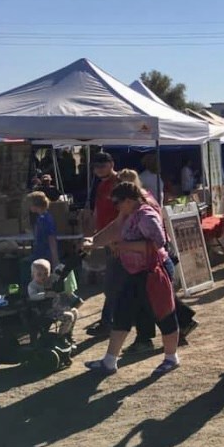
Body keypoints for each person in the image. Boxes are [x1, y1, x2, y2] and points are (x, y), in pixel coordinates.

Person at [84, 182, 180, 376]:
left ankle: (171, 358)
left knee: (164, 315)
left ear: (129, 200)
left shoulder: (146, 215)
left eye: (117, 203)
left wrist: (124, 246)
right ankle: (109, 361)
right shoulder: (130, 213)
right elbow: (116, 228)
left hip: (153, 272)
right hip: (135, 273)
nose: (115, 207)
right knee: (122, 313)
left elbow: (158, 242)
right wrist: (94, 242)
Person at [117, 169, 198, 351]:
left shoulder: (144, 207)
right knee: (155, 302)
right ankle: (178, 325)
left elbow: (157, 241)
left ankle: (163, 339)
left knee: (158, 305)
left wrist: (126, 246)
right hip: (148, 264)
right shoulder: (136, 205)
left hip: (155, 264)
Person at [86, 151, 121, 337]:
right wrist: (92, 233)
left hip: (117, 241)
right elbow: (98, 211)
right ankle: (109, 322)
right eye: (96, 166)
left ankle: (107, 323)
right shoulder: (101, 185)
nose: (99, 169)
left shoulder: (118, 183)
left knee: (112, 284)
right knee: (116, 283)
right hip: (107, 239)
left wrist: (115, 239)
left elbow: (122, 214)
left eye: (102, 165)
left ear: (111, 163)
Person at [28, 259, 79, 340]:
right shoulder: (33, 285)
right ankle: (61, 338)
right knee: (69, 317)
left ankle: (68, 334)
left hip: (57, 308)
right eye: (39, 274)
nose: (43, 277)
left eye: (46, 274)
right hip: (46, 311)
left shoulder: (51, 279)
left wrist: (62, 268)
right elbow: (32, 296)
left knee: (75, 311)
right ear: (33, 275)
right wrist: (45, 295)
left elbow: (59, 275)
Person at [27, 191, 60, 268]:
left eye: (30, 204)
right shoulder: (40, 218)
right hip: (40, 253)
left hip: (46, 255)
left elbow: (51, 239)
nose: (29, 207)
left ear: (36, 205)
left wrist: (55, 259)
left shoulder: (46, 219)